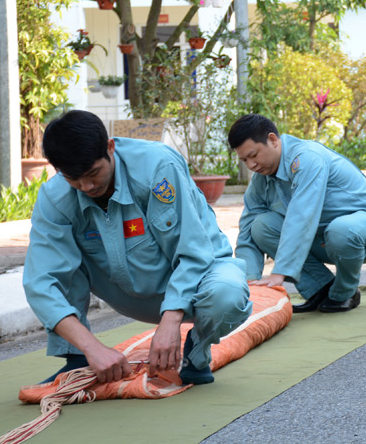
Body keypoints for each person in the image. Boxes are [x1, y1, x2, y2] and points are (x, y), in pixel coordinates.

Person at [23, 110, 251, 386]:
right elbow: (41, 283)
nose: (86, 186)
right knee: (55, 262)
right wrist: (91, 347)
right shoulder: (54, 197)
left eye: (93, 173)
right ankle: (77, 358)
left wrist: (171, 321)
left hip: (196, 281)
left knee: (228, 295)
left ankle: (197, 349)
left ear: (110, 147)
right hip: (124, 292)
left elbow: (193, 252)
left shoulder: (158, 168)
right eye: (73, 178)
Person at [228, 114, 366, 313]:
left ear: (272, 140)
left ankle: (345, 292)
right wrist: (248, 282)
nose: (251, 165)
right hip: (322, 239)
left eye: (254, 155)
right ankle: (320, 289)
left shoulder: (307, 158)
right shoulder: (260, 181)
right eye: (244, 160)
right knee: (261, 226)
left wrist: (280, 272)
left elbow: (301, 215)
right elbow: (247, 231)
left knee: (341, 230)